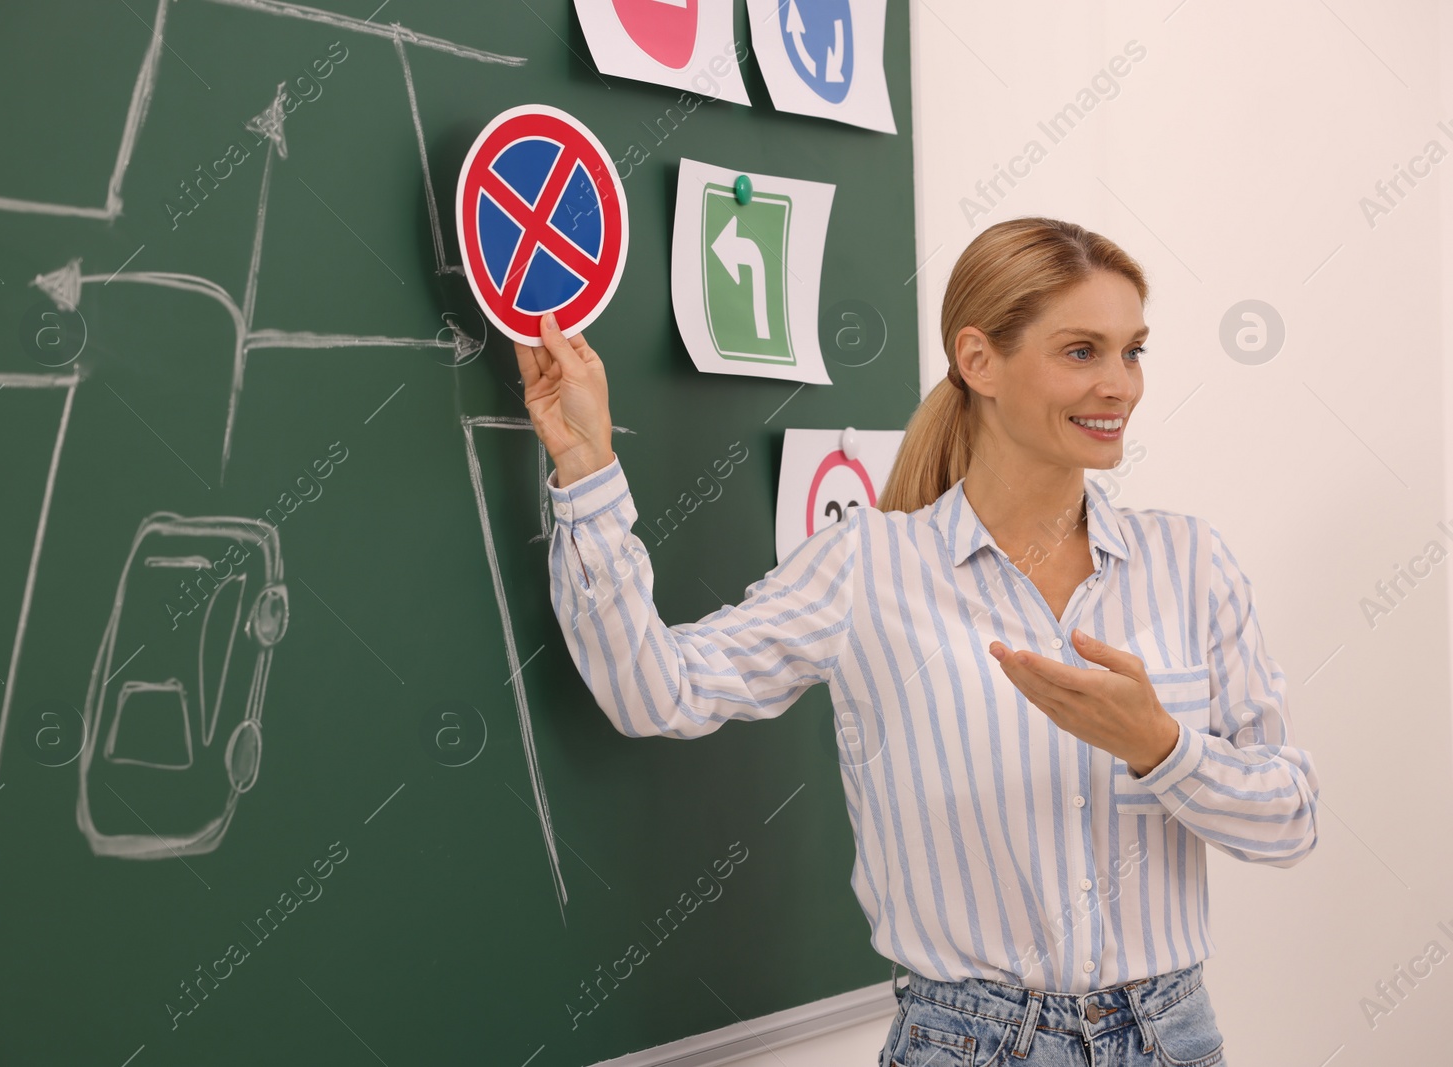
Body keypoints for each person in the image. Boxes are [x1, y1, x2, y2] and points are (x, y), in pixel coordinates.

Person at [513, 217, 1319, 1066]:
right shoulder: (868, 567)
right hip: (970, 1043)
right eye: (1082, 351)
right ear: (979, 361)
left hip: (1174, 1036)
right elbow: (655, 692)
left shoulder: (1190, 560)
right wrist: (588, 466)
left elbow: (1290, 821)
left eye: (1133, 351)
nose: (1120, 384)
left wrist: (1160, 747)